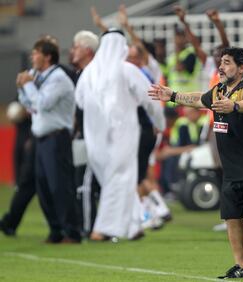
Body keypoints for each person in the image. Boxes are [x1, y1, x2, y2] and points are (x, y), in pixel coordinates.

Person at [149, 47, 243, 279]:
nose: (220, 66)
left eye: (227, 63)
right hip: (232, 166)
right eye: (221, 62)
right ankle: (242, 266)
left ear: (241, 68)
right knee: (232, 217)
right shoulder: (219, 89)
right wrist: (172, 95)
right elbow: (200, 99)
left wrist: (234, 106)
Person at [75, 29, 165, 241]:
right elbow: (150, 98)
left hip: (94, 137)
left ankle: (133, 225)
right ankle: (102, 229)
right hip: (122, 135)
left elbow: (78, 101)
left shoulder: (89, 72)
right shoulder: (126, 70)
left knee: (118, 179)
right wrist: (159, 122)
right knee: (119, 178)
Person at [16, 37, 81, 243]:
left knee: (59, 187)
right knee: (43, 188)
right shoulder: (38, 76)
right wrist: (22, 88)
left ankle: (72, 232)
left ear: (47, 57)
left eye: (36, 53)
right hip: (41, 139)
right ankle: (56, 231)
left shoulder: (59, 78)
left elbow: (43, 103)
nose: (32, 56)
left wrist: (28, 86)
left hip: (57, 138)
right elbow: (29, 105)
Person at [71, 30, 100, 237]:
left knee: (87, 183)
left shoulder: (95, 74)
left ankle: (89, 227)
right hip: (84, 136)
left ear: (88, 50)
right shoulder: (81, 74)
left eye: (77, 46)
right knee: (82, 182)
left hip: (96, 137)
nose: (72, 51)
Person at [0, 102, 35, 236]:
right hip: (26, 141)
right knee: (25, 185)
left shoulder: (41, 87)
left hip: (38, 139)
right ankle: (10, 222)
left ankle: (66, 225)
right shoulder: (23, 90)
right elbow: (14, 113)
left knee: (49, 187)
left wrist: (27, 111)